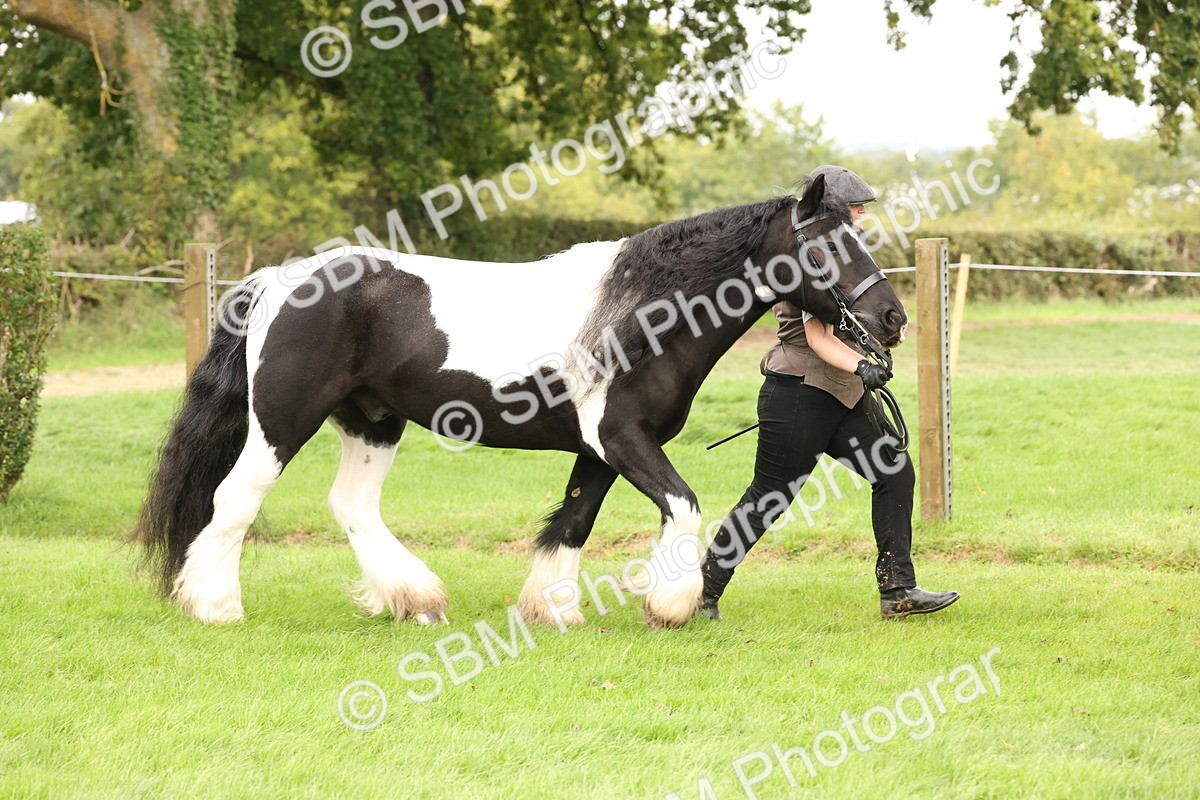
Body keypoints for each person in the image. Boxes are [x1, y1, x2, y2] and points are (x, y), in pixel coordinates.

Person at [698, 165, 960, 621]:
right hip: (799, 393)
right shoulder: (804, 260)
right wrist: (861, 364)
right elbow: (817, 337)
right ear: (831, 210)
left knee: (894, 471)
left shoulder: (842, 255)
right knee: (769, 497)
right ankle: (703, 591)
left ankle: (898, 590)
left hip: (843, 392)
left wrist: (881, 336)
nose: (861, 214)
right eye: (855, 206)